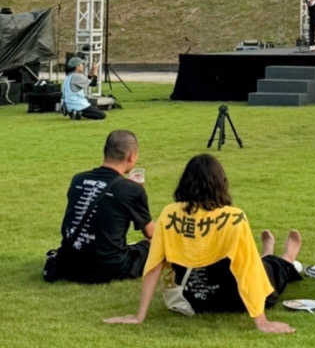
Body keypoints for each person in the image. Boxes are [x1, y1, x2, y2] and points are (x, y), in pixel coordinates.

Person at [104, 154, 296, 334]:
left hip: (193, 299)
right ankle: (286, 257)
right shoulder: (234, 217)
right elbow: (248, 270)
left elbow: (154, 265)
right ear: (221, 184)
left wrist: (140, 316)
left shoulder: (170, 214)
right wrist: (262, 322)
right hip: (236, 299)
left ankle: (269, 251)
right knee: (268, 268)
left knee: (255, 262)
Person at [54, 130, 152, 283]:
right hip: (108, 266)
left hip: (70, 261)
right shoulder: (131, 189)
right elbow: (150, 232)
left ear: (105, 152)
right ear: (132, 156)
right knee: (153, 246)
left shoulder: (78, 179)